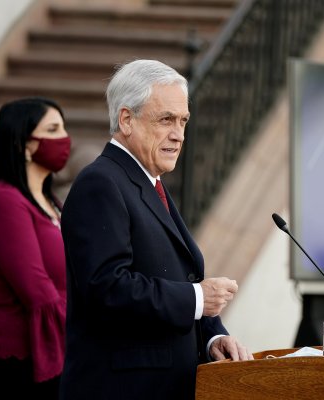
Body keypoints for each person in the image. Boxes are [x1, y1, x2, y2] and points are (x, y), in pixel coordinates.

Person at [59, 59, 253, 400]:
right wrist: (197, 298)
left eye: (183, 121)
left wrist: (211, 336)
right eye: (166, 119)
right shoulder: (100, 183)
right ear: (126, 120)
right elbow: (107, 289)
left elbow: (177, 278)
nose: (178, 134)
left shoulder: (148, 182)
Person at [0, 97, 71, 399]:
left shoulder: (52, 203)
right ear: (24, 143)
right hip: (15, 361)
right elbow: (36, 288)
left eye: (63, 128)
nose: (64, 138)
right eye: (52, 129)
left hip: (54, 350)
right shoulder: (3, 201)